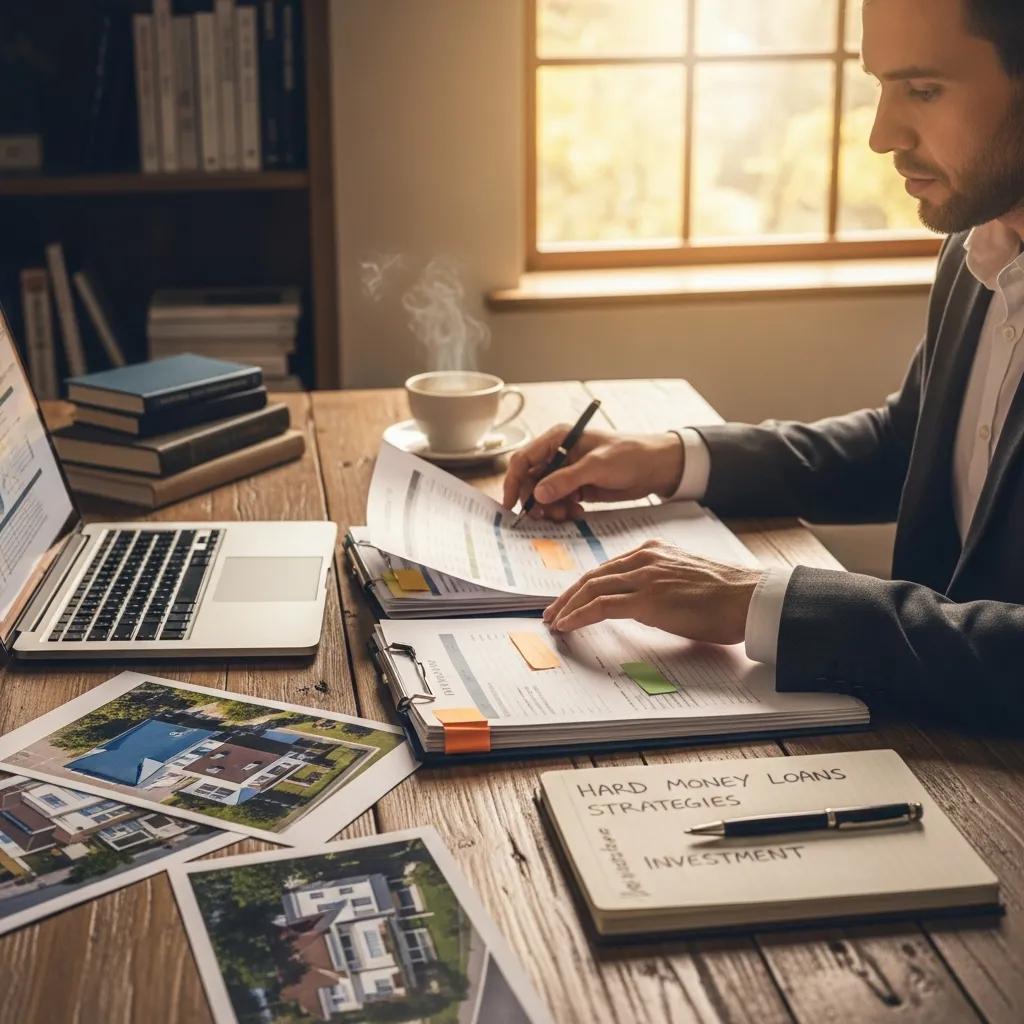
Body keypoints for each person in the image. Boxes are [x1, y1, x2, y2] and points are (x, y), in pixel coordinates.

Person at [501, 0, 1024, 725]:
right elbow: (907, 447)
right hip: (931, 739)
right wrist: (667, 459)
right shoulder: (979, 247)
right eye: (880, 85)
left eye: (924, 90)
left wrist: (766, 602)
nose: (881, 135)